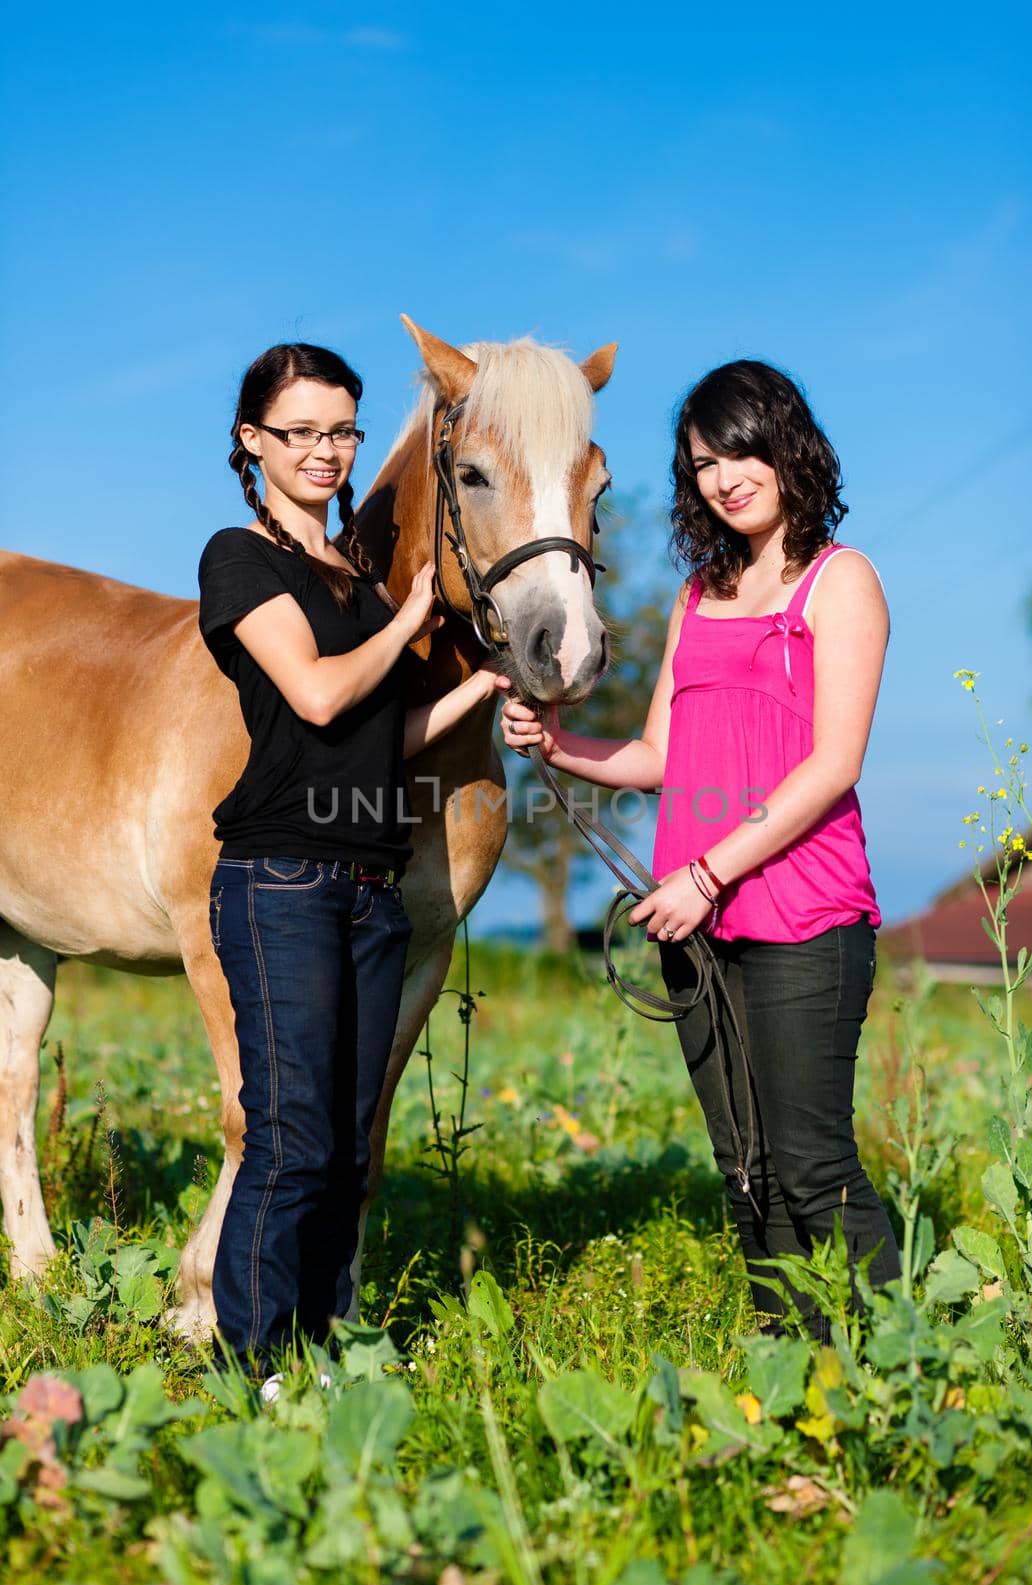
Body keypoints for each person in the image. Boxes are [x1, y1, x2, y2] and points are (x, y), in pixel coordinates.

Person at [495, 359, 901, 1342]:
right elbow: (656, 755)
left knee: (809, 1162)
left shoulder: (838, 582)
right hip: (694, 919)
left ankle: (895, 1370)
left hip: (800, 911)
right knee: (744, 1164)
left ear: (785, 444)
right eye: (703, 463)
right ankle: (786, 1362)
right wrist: (558, 747)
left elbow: (831, 763)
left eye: (740, 451)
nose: (725, 477)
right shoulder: (697, 594)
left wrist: (706, 871)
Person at [198, 342, 497, 1385]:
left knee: (350, 1144)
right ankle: (253, 1361)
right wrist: (414, 618)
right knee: (289, 1137)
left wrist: (484, 689)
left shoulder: (354, 580)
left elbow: (381, 738)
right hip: (278, 879)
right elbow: (321, 698)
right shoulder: (240, 558)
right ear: (253, 442)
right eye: (300, 433)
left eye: (341, 431)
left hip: (369, 893)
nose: (324, 453)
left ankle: (321, 1348)